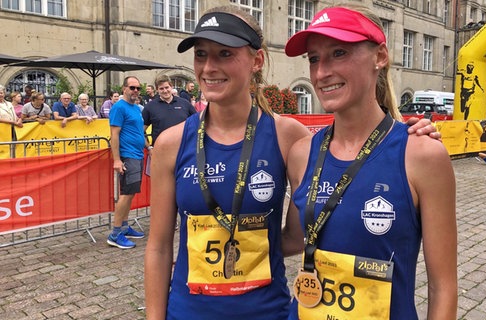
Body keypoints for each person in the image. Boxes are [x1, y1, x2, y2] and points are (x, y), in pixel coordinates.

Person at [144, 5, 440, 320]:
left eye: (225, 54)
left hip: (268, 311)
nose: (208, 67)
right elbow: (159, 247)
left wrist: (408, 137)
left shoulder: (290, 137)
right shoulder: (171, 143)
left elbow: (305, 229)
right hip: (189, 312)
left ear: (256, 61)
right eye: (201, 55)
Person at [284, 4, 457, 320]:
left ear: (380, 56)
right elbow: (292, 240)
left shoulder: (422, 154)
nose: (322, 72)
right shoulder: (302, 153)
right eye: (314, 58)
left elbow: (442, 286)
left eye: (339, 53)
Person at [107, 76, 146, 249]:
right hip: (127, 156)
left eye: (138, 88)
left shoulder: (136, 108)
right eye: (132, 88)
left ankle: (124, 226)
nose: (135, 91)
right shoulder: (119, 107)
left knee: (130, 193)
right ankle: (115, 234)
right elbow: (114, 135)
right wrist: (116, 159)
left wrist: (148, 147)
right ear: (124, 89)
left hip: (137, 155)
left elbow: (139, 132)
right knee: (125, 194)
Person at [142, 74, 196, 148]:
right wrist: (149, 147)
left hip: (184, 149)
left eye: (167, 87)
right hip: (161, 150)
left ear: (171, 86)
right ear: (157, 90)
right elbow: (140, 130)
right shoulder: (150, 106)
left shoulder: (185, 103)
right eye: (161, 88)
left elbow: (197, 123)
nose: (165, 91)